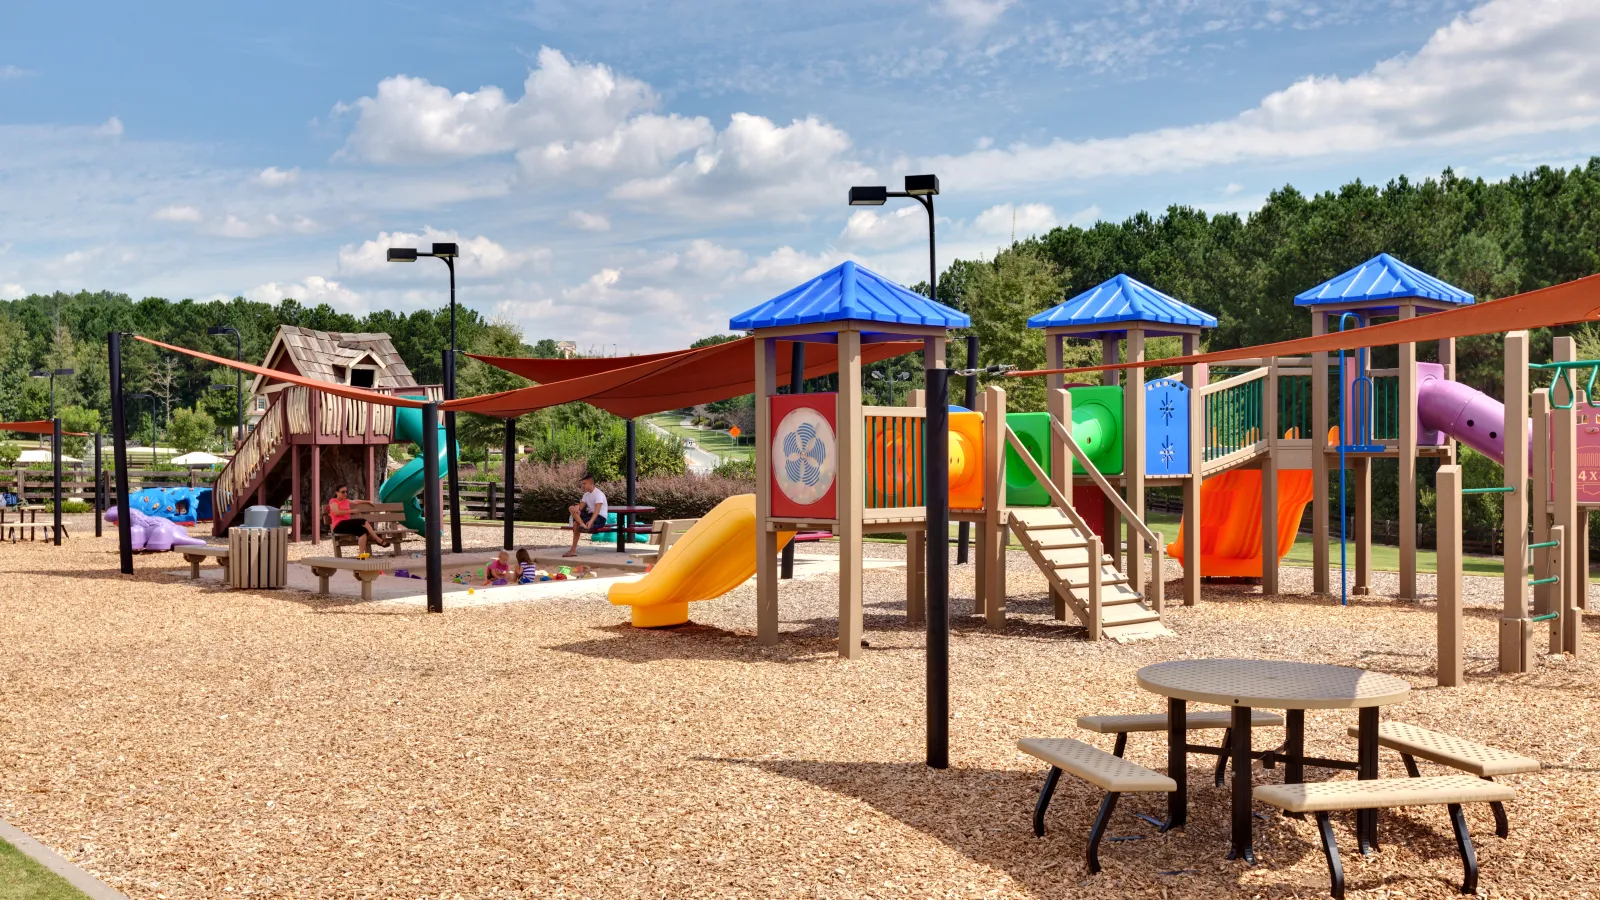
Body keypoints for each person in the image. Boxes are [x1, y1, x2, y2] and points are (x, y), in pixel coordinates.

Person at [327, 485, 389, 556]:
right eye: (343, 492)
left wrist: (367, 502)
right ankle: (377, 539)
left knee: (363, 531)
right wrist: (351, 511)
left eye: (346, 492)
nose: (345, 494)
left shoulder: (346, 501)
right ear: (337, 493)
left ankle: (361, 555)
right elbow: (336, 512)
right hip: (338, 526)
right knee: (362, 521)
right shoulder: (333, 501)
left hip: (347, 525)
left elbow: (356, 501)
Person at [565, 473, 607, 557]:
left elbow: (597, 511)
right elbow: (581, 506)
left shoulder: (599, 494)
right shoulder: (586, 495)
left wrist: (591, 521)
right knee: (571, 508)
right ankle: (583, 525)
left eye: (584, 484)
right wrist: (577, 507)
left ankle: (583, 526)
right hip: (590, 515)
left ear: (591, 483)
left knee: (575, 524)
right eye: (582, 484)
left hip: (599, 517)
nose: (582, 486)